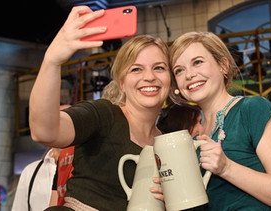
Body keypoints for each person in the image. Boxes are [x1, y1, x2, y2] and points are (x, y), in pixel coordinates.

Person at [28, 6, 171, 210]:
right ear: (121, 82)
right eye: (136, 69)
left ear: (170, 79)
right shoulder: (103, 114)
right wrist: (52, 61)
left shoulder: (168, 144)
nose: (149, 76)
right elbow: (44, 131)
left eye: (159, 68)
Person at [167, 31, 271, 210]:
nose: (189, 75)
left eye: (197, 62)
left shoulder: (253, 110)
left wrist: (226, 168)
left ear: (223, 65)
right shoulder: (194, 138)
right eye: (179, 70)